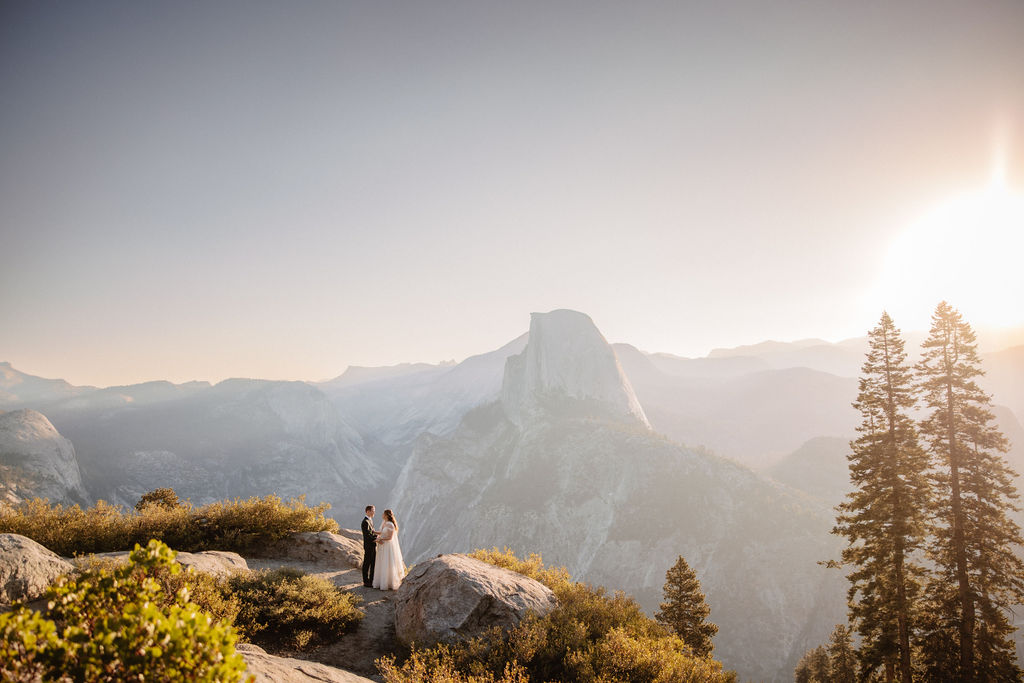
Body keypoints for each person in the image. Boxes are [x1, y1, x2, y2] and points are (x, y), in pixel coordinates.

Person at [372, 509, 406, 590]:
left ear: (386, 515)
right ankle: (381, 582)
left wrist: (380, 539)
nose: (382, 515)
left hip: (387, 545)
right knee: (382, 562)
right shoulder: (384, 523)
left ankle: (388, 583)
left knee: (387, 562)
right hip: (382, 545)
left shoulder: (390, 524)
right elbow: (382, 532)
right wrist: (374, 532)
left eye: (383, 514)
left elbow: (390, 537)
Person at [361, 505, 380, 587]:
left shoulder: (370, 520)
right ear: (368, 511)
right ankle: (366, 581)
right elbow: (367, 535)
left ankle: (371, 580)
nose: (374, 512)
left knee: (373, 563)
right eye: (373, 510)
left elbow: (372, 532)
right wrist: (376, 538)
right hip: (369, 546)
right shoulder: (365, 522)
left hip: (372, 545)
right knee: (367, 563)